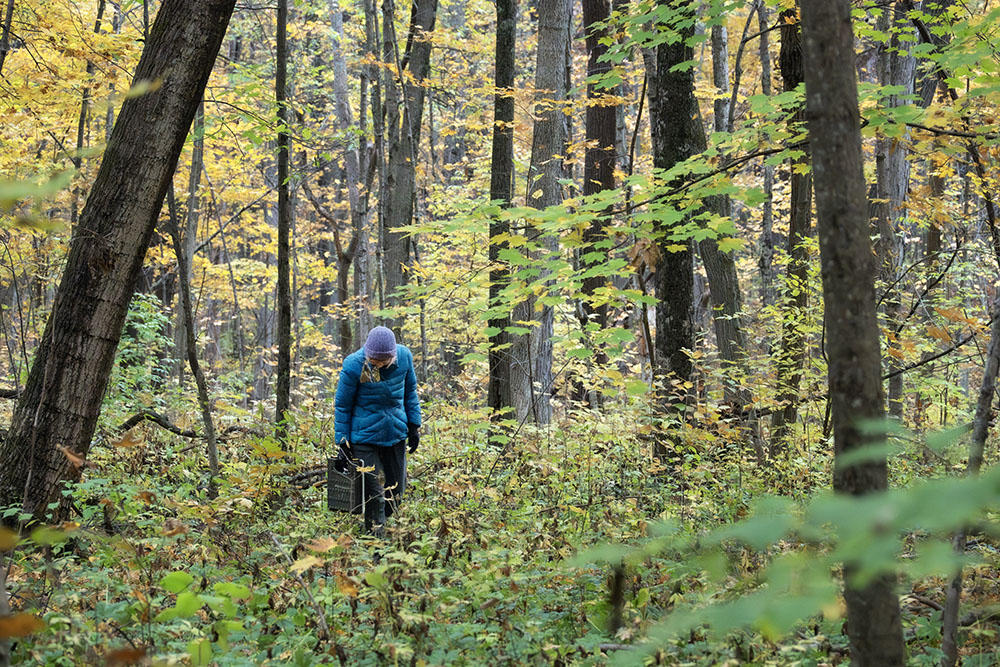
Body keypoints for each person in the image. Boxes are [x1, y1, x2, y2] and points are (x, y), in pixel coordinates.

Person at [334, 326, 421, 536]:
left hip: (395, 433)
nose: (379, 365)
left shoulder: (404, 356)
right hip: (364, 438)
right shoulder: (353, 365)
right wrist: (343, 442)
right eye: (374, 362)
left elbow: (410, 391)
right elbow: (342, 405)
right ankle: (376, 546)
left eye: (384, 361)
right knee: (375, 493)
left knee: (397, 491)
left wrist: (414, 426)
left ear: (393, 355)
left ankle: (384, 527)